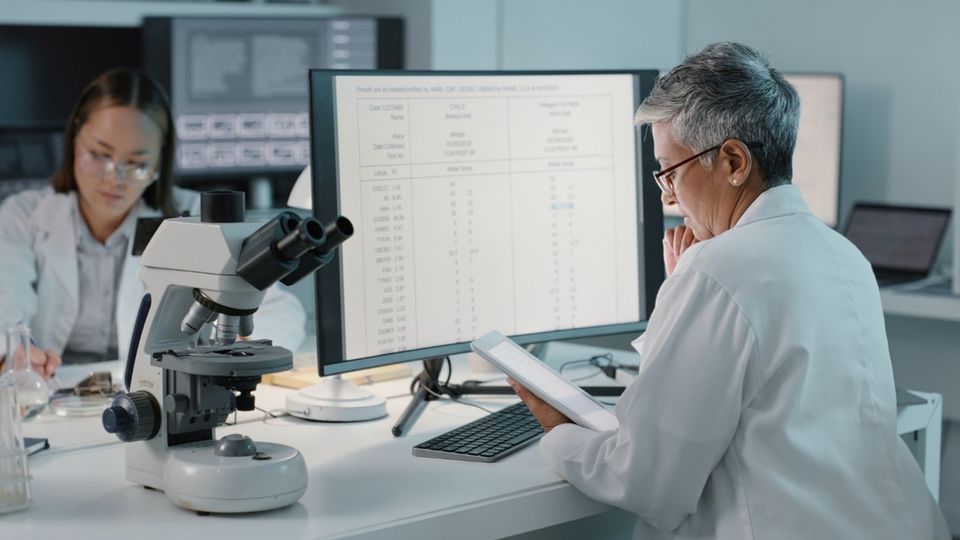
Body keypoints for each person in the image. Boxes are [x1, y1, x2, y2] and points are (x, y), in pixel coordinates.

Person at [509, 43, 950, 539]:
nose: (669, 196)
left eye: (670, 172)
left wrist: (557, 432)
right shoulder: (842, 254)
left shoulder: (719, 271)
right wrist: (684, 293)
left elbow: (641, 480)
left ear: (734, 161)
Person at [0, 69, 306, 376]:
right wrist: (13, 352)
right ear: (74, 139)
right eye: (99, 154)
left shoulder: (194, 217)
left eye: (136, 163)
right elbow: (5, 303)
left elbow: (281, 311)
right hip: (52, 394)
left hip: (159, 384)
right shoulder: (22, 216)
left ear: (159, 161)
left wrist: (226, 350)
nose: (114, 177)